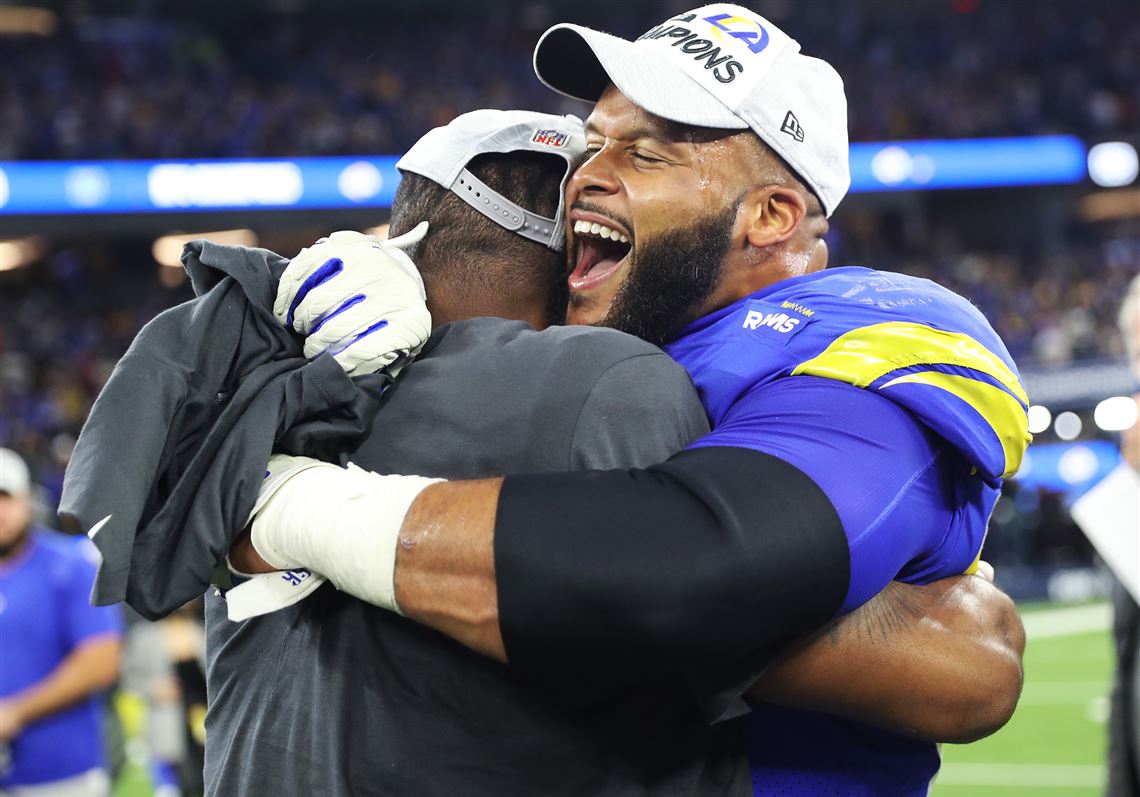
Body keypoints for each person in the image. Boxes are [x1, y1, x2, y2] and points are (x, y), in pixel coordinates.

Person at [238, 5, 1031, 795]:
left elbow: (710, 568)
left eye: (646, 154)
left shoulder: (850, 333)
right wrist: (398, 280)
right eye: (591, 144)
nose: (586, 173)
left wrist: (300, 510)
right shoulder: (589, 321)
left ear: (772, 214)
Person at [0, 448, 124, 797]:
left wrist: (15, 712)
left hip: (61, 775)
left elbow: (102, 661)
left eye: (5, 499)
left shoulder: (69, 565)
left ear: (27, 500)